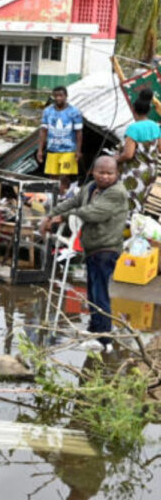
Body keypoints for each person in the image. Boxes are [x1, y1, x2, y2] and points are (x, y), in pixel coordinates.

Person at [40, 156, 128, 350]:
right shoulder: (90, 188)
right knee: (92, 292)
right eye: (101, 173)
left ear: (116, 174)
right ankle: (95, 327)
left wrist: (63, 217)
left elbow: (94, 213)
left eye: (110, 173)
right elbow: (72, 202)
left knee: (100, 293)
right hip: (92, 248)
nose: (105, 177)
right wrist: (50, 214)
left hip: (107, 247)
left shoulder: (117, 193)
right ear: (93, 173)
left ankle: (104, 339)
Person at [115, 88, 161, 218]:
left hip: (135, 172)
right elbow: (160, 149)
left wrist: (115, 159)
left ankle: (126, 228)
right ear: (149, 111)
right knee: (141, 201)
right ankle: (137, 227)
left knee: (128, 202)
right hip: (151, 171)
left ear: (133, 110)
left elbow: (128, 154)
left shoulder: (133, 128)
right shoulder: (156, 126)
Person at [37, 86, 83, 186]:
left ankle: (62, 196)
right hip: (52, 150)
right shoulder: (48, 111)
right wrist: (40, 150)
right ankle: (57, 196)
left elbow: (79, 132)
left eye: (61, 96)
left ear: (66, 96)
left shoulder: (74, 112)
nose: (58, 98)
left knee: (64, 175)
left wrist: (78, 151)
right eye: (56, 96)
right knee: (53, 177)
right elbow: (43, 131)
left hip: (68, 151)